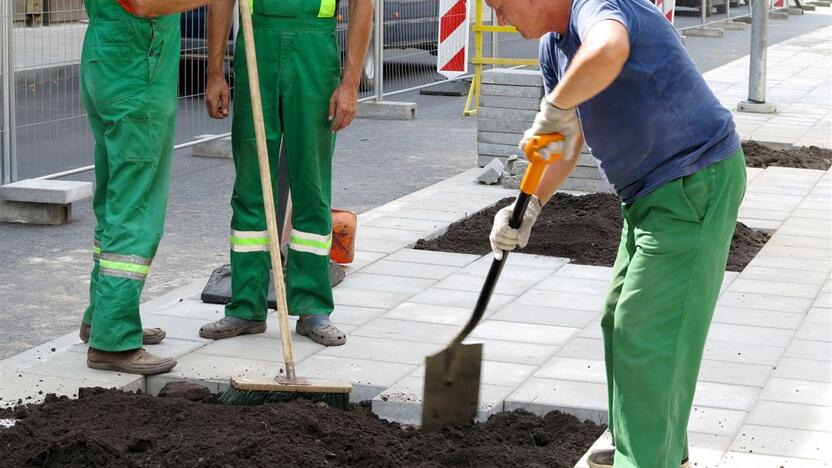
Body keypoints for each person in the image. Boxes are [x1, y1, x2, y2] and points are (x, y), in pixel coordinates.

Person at [486, 0, 745, 466]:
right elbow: (563, 140)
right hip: (648, 195)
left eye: (499, 6)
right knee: (618, 320)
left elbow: (609, 48)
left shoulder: (595, 7)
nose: (499, 19)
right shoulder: (554, 46)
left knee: (646, 330)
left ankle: (646, 460)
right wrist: (528, 208)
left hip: (693, 181)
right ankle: (651, 451)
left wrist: (556, 103)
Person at [199, 0, 372, 345]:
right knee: (251, 183)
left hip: (314, 52)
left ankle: (313, 307)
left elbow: (362, 5)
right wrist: (215, 73)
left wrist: (350, 83)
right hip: (256, 48)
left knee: (312, 185)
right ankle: (246, 306)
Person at [80, 0, 219, 374]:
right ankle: (113, 341)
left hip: (110, 62)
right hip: (134, 72)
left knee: (113, 200)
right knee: (136, 208)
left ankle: (102, 316)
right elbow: (144, 3)